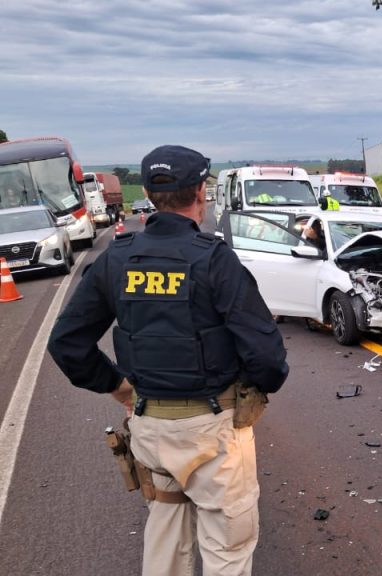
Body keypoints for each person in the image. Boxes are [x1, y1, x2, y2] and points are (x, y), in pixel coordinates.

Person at [48, 144, 289, 576]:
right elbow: (268, 359)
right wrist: (247, 394)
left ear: (149, 193)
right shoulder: (216, 259)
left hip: (150, 429)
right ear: (200, 192)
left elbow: (67, 344)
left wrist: (121, 388)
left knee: (165, 542)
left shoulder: (115, 260)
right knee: (228, 552)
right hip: (214, 433)